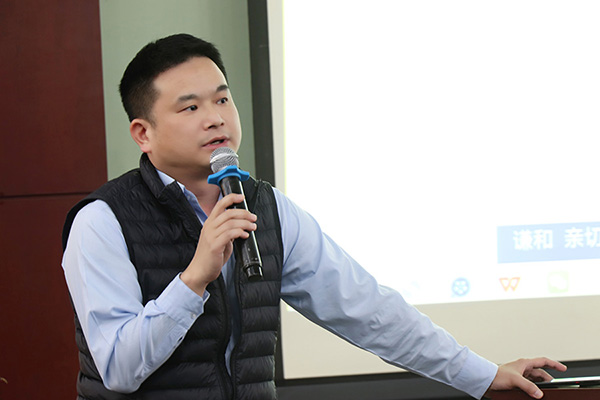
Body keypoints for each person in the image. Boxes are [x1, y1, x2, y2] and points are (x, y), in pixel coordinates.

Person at [61, 33, 566, 400]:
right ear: (143, 133)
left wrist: (481, 374)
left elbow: (366, 309)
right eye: (190, 108)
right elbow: (118, 368)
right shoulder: (102, 222)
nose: (216, 117)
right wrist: (194, 279)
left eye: (222, 99)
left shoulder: (266, 207)